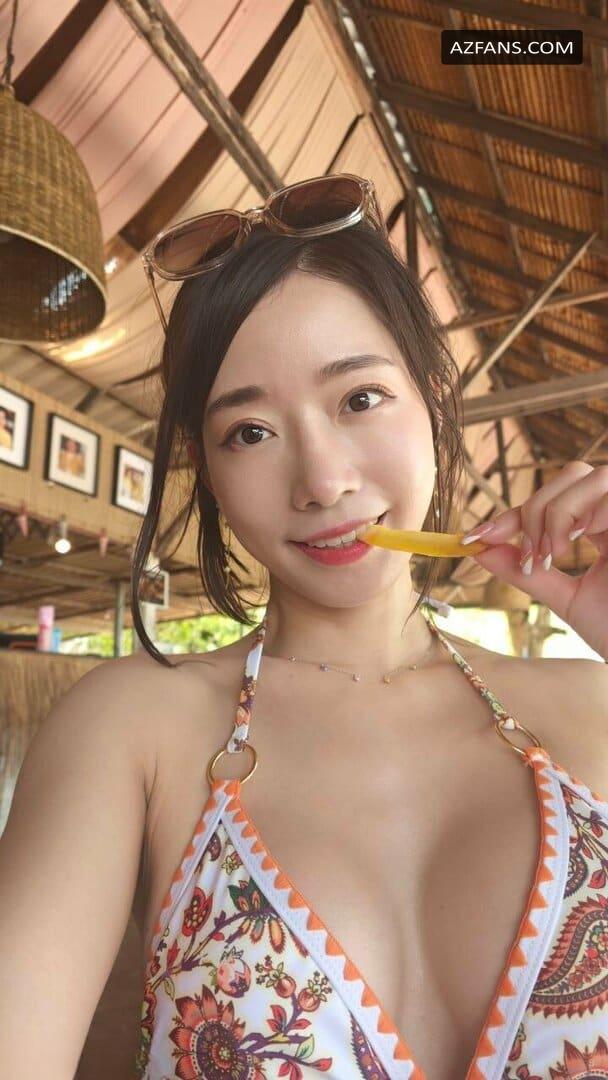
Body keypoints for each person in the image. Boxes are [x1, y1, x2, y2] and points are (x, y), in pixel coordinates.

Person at [0, 176, 606, 1080]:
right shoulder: (131, 730)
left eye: (359, 399)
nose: (321, 481)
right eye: (249, 431)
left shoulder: (595, 704)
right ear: (206, 470)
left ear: (435, 401)